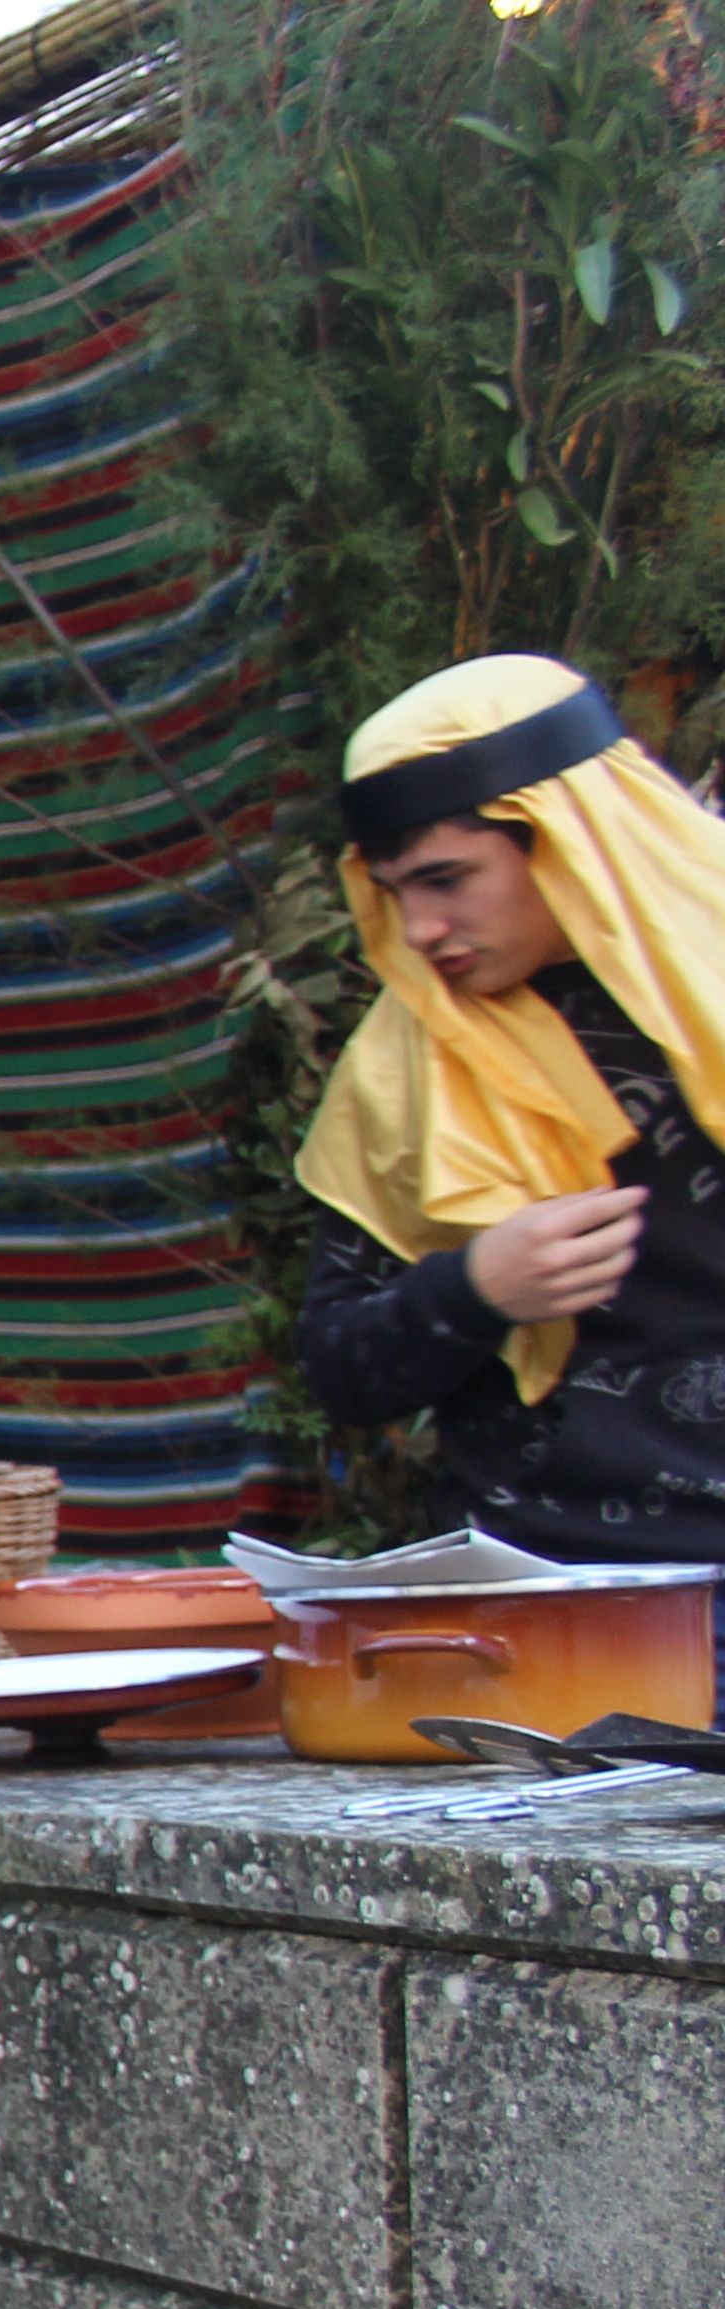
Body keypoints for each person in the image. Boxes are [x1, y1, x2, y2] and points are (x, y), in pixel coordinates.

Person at [292, 657, 725, 1620]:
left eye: (447, 879)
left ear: (569, 836)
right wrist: (476, 1292)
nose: (421, 929)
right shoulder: (407, 1064)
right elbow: (339, 1366)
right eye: (395, 892)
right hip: (542, 1601)